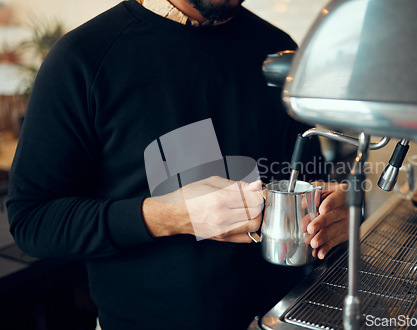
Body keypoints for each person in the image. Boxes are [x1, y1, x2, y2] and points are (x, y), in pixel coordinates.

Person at [7, 0, 348, 329]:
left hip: (272, 321)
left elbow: (307, 182)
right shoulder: (84, 57)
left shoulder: (278, 52)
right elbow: (32, 221)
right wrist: (171, 216)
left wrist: (334, 215)